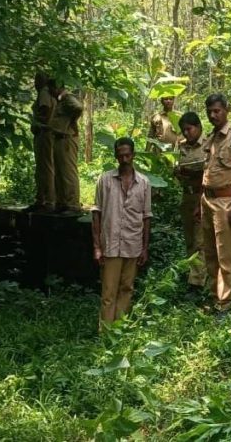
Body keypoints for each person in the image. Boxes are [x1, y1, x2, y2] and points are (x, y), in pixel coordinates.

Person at [196, 94, 231, 317]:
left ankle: (225, 302)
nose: (213, 115)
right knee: (209, 251)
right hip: (207, 200)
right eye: (210, 111)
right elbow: (207, 172)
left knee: (224, 254)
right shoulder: (210, 139)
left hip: (226, 201)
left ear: (227, 110)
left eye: (217, 111)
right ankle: (214, 295)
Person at [92, 137, 152, 331]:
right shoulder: (105, 180)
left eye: (128, 155)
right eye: (120, 155)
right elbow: (97, 213)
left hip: (132, 245)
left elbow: (146, 217)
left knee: (127, 288)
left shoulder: (143, 183)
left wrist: (144, 248)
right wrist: (97, 246)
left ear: (133, 155)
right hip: (110, 244)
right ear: (116, 156)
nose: (124, 159)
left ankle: (119, 329)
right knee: (108, 291)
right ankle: (105, 332)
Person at [174, 111, 209, 293]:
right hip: (186, 196)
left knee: (199, 240)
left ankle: (197, 282)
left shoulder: (208, 144)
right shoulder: (181, 147)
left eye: (189, 129)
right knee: (189, 239)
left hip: (202, 195)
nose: (186, 133)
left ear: (198, 127)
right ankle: (194, 272)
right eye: (183, 130)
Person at [48, 79, 84, 214]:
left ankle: (73, 205)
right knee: (59, 173)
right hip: (58, 139)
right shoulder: (60, 101)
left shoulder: (67, 98)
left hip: (67, 139)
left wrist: (72, 121)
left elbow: (78, 107)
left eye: (51, 88)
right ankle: (62, 202)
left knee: (68, 172)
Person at [26, 72, 57, 213]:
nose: (34, 83)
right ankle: (44, 198)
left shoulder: (44, 93)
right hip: (46, 133)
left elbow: (46, 110)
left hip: (44, 133)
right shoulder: (49, 93)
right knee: (46, 166)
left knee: (45, 167)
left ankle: (47, 200)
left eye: (36, 80)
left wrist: (39, 123)